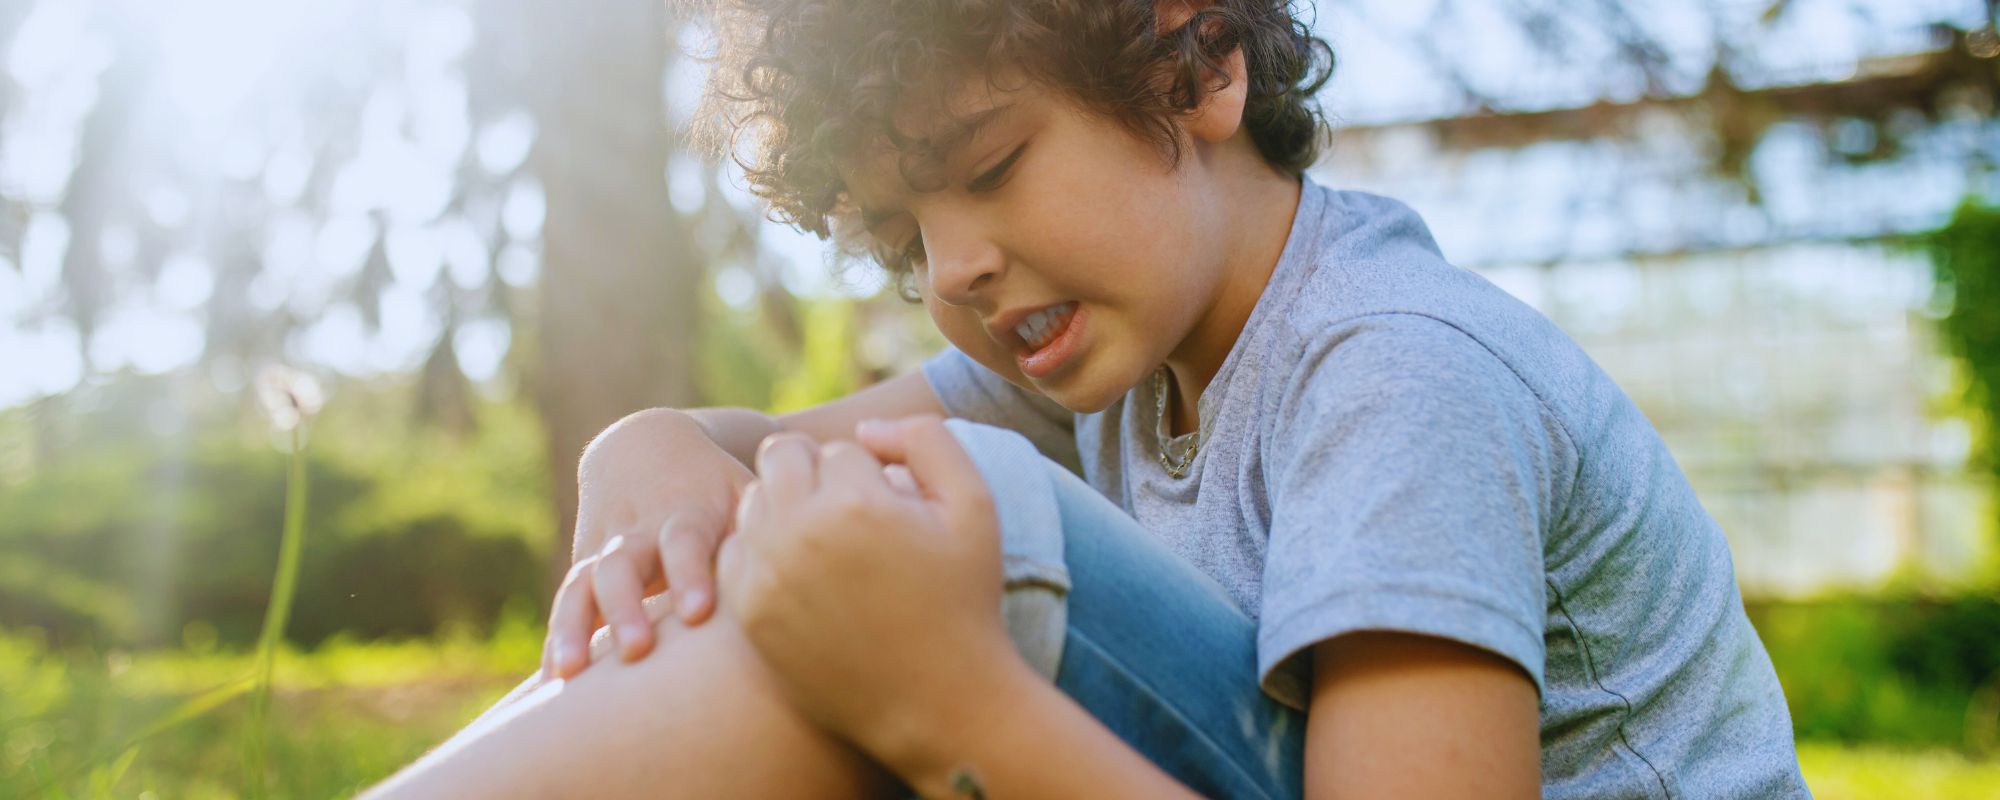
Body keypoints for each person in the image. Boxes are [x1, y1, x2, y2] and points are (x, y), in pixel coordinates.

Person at [363, 0, 1812, 796]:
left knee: (945, 529)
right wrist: (651, 452)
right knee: (844, 523)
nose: (958, 268)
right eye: (901, 235)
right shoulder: (1099, 368)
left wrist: (950, 702)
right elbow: (761, 462)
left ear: (1199, 66)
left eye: (988, 167)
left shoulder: (1397, 375)